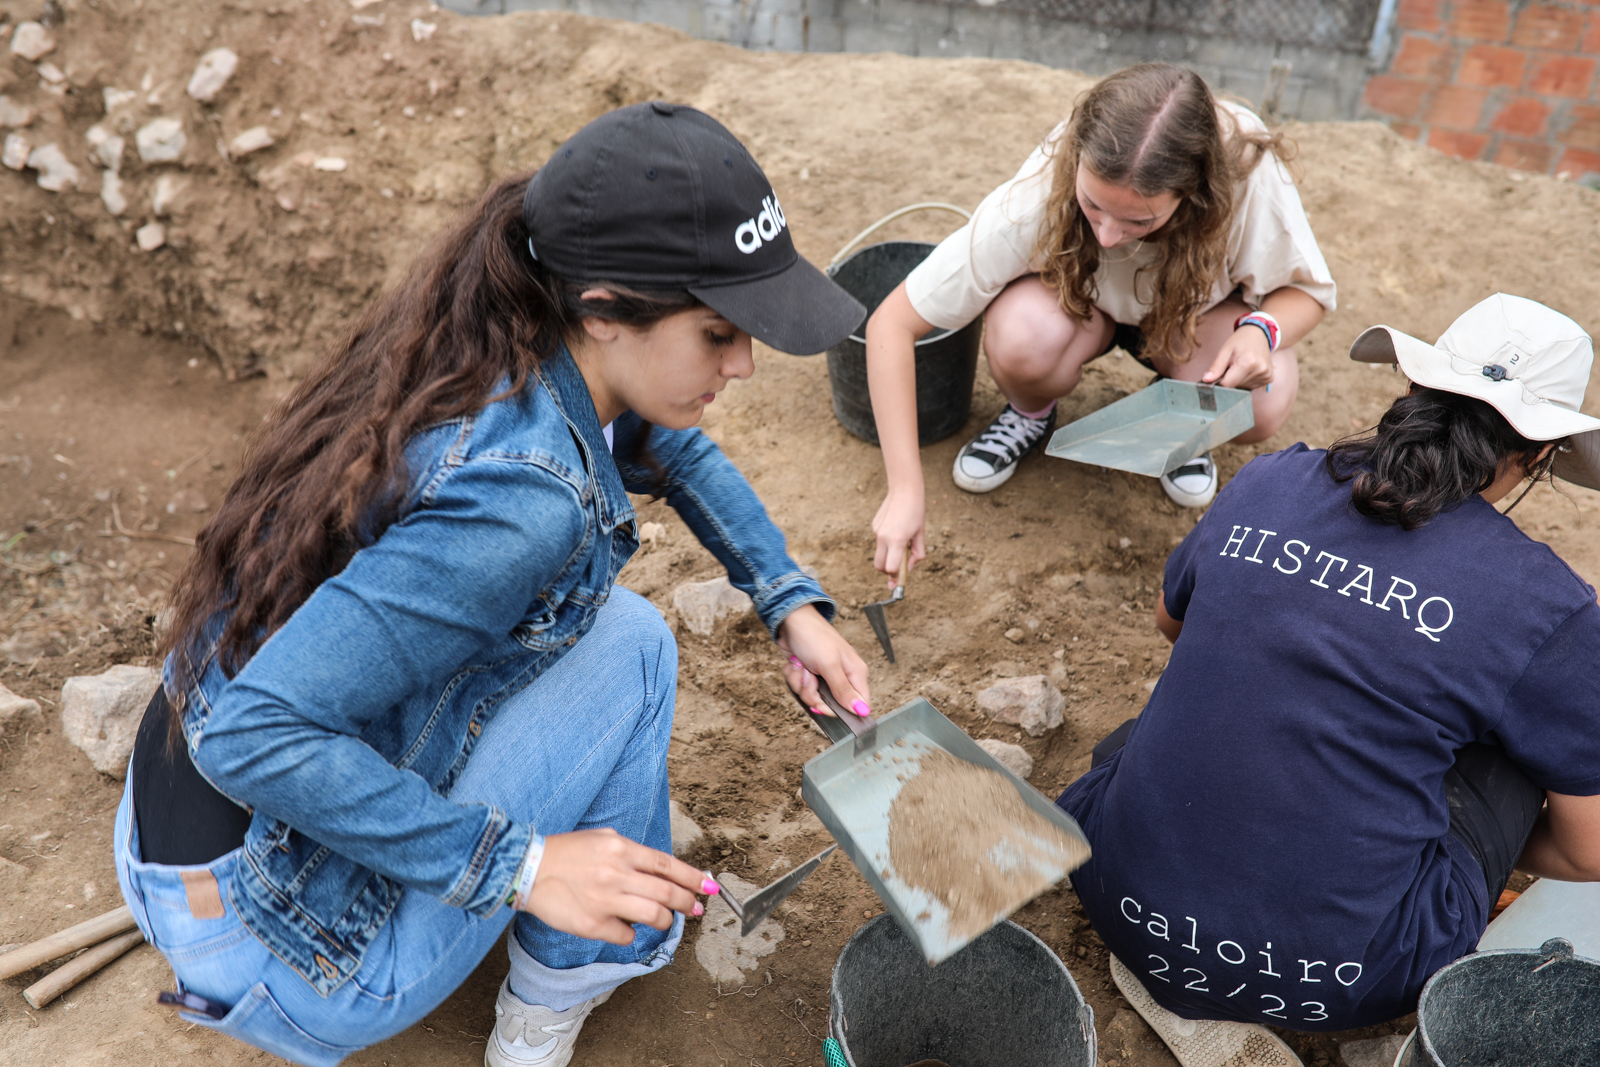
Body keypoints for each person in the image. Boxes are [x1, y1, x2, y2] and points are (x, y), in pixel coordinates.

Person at [113, 103, 873, 1067]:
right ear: (605, 310)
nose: (745, 364)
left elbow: (658, 439)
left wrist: (785, 598)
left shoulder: (498, 315)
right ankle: (564, 985)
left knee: (571, 631)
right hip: (284, 951)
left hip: (166, 840)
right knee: (634, 645)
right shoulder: (524, 502)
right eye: (718, 333)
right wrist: (526, 865)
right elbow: (251, 733)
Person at [1057, 294, 1600, 1065]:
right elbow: (1588, 852)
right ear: (1541, 456)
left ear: (1411, 388)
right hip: (1341, 979)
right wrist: (1470, 841)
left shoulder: (1271, 479)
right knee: (1534, 730)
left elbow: (1172, 623)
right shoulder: (1547, 603)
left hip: (1112, 887)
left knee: (1218, 697)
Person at [865, 62, 1337, 583]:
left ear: (1194, 193)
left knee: (1263, 400)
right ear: (1077, 160)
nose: (1108, 236)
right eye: (1092, 204)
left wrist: (1260, 331)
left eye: (1139, 220)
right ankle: (1030, 412)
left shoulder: (1248, 173)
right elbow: (892, 324)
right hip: (1078, 306)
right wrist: (904, 489)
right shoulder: (1039, 190)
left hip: (1193, 321)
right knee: (1021, 335)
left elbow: (1308, 292)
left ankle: (1184, 423)